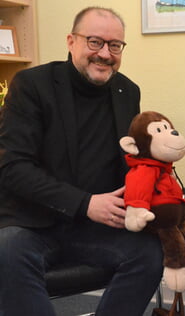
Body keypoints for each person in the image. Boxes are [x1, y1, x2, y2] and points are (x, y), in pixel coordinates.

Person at [0, 7, 163, 316]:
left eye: (115, 45)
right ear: (71, 41)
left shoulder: (126, 90)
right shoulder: (31, 85)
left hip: (95, 227)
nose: (105, 53)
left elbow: (130, 159)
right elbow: (13, 169)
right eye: (94, 42)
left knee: (149, 253)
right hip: (31, 223)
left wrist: (154, 188)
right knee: (6, 252)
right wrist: (85, 203)